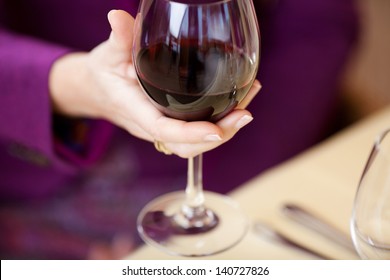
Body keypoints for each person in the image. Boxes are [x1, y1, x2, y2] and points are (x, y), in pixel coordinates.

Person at [0, 0, 359, 259]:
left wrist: (229, 187)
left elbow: (318, 21)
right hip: (32, 177)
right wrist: (75, 83)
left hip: (238, 154)